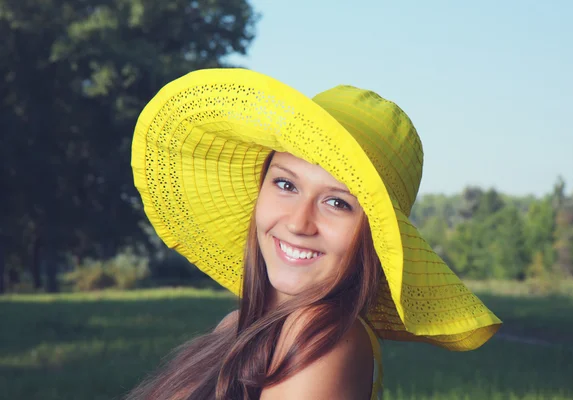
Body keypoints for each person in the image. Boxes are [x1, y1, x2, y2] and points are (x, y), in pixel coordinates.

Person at [128, 69, 502, 400]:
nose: (298, 223)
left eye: (338, 203)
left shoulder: (321, 340)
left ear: (374, 236)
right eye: (286, 184)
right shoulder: (235, 326)